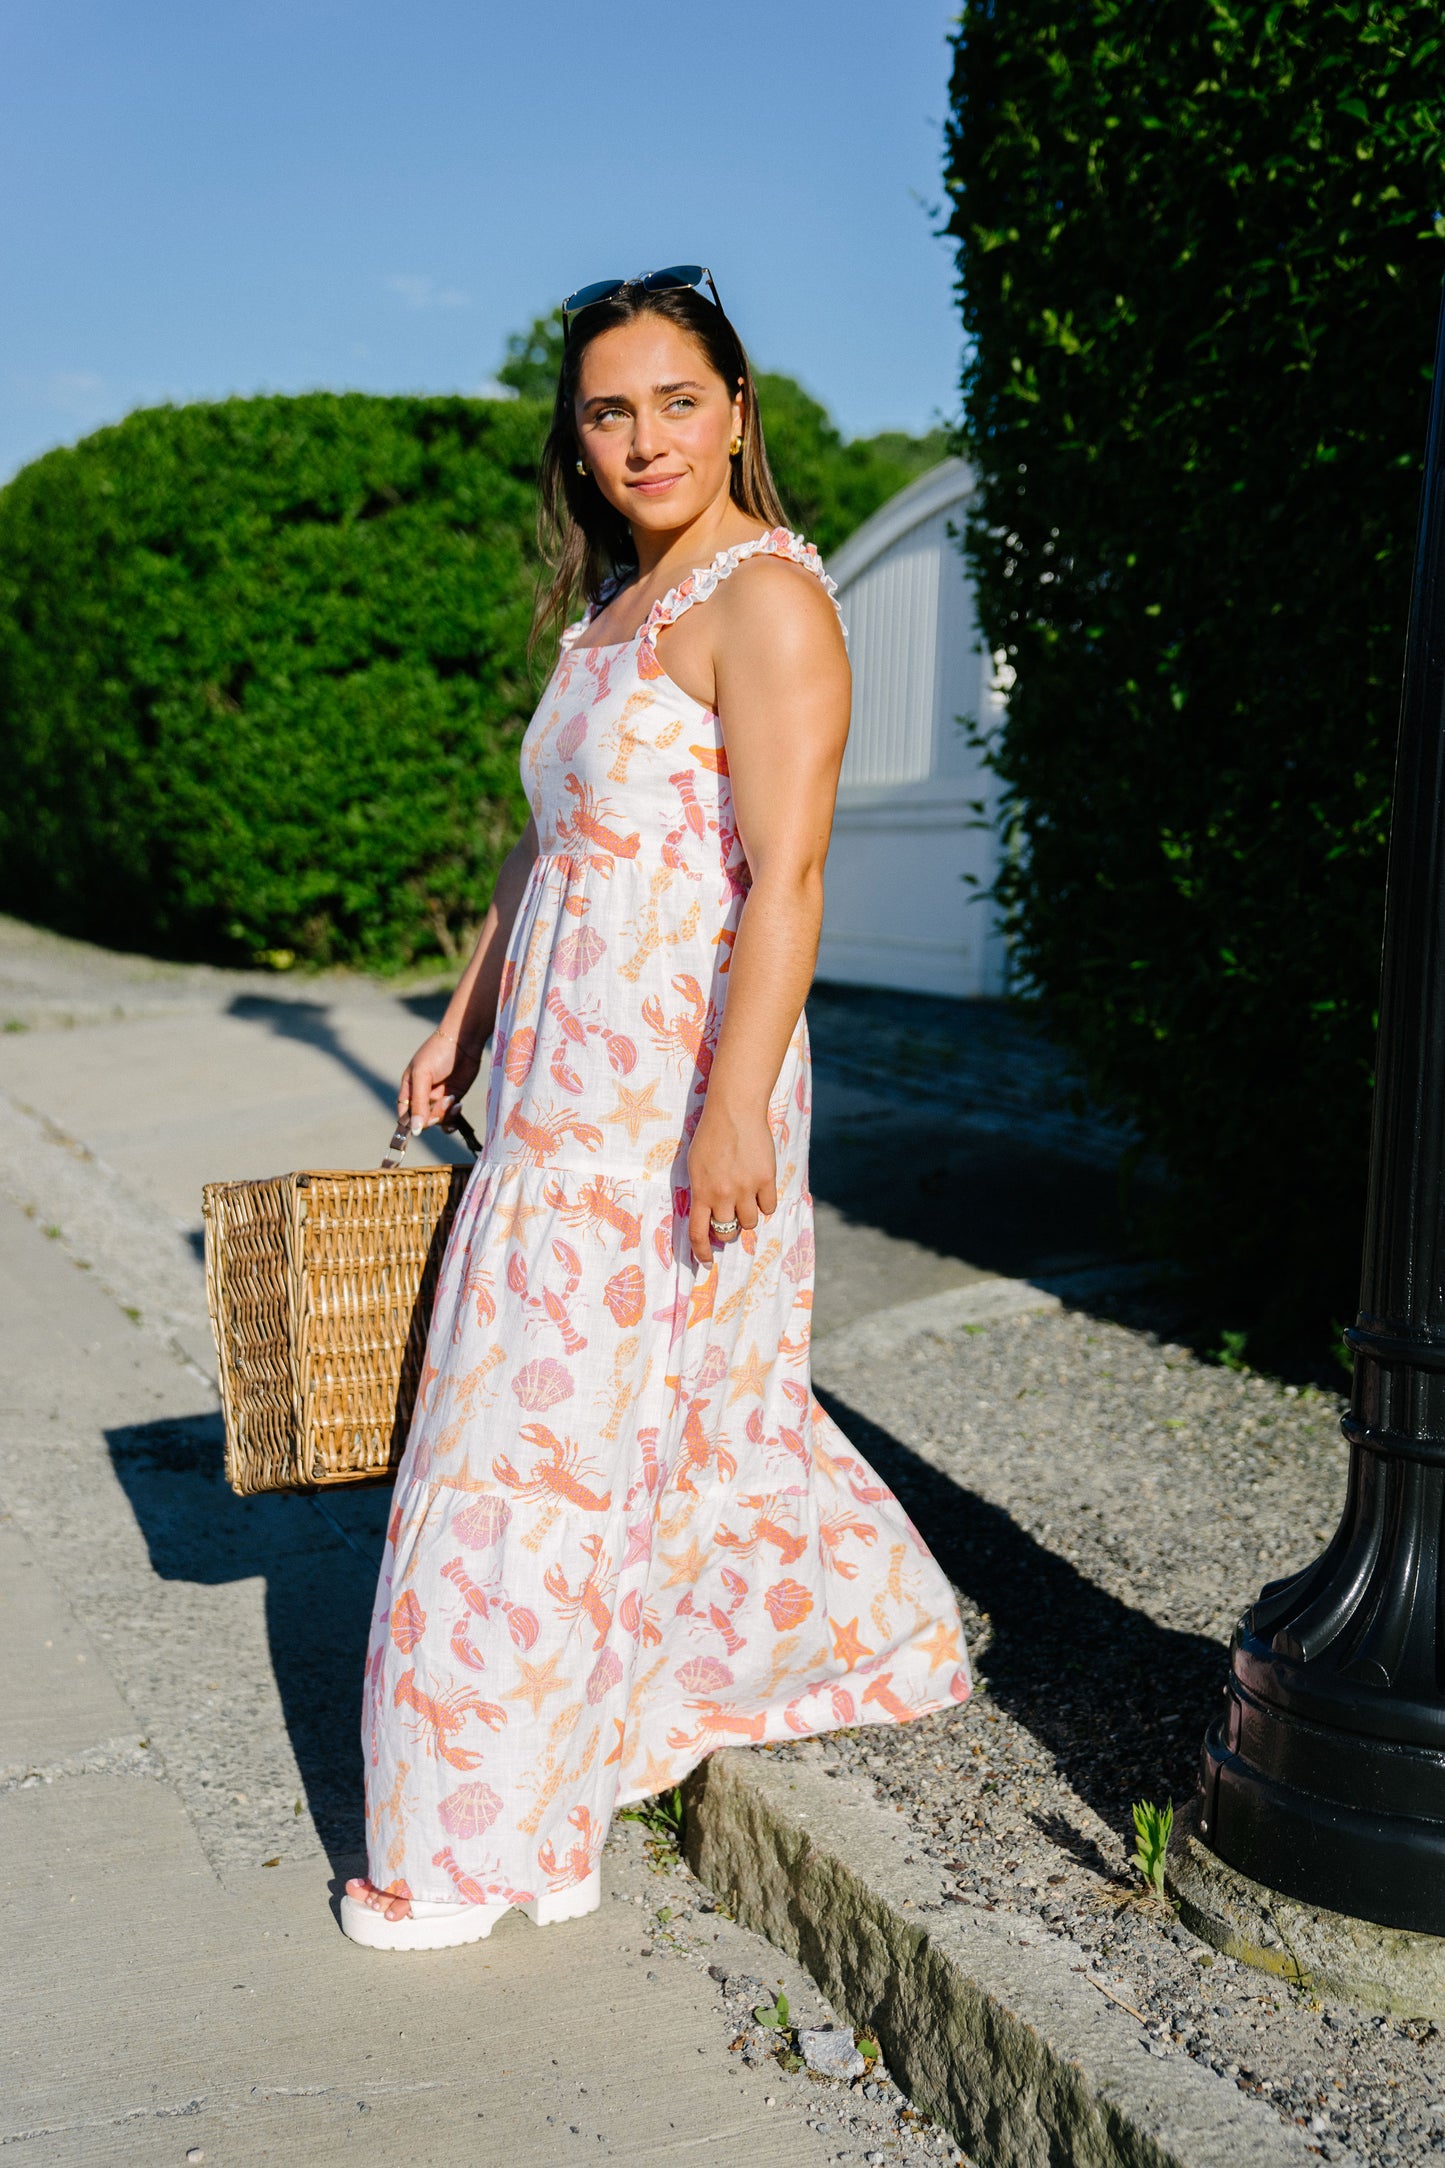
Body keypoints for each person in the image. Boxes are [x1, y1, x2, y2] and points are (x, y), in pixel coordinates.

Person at [342, 265, 969, 1950]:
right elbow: (542, 850)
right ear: (579, 439)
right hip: (547, 1100)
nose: (643, 439)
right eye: (609, 411)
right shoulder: (605, 619)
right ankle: (531, 1809)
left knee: (534, 1458)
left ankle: (484, 1837)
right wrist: (460, 1026)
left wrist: (736, 1112)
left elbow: (792, 878)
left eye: (675, 401)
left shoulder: (768, 600)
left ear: (738, 413)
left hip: (670, 1099)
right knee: (540, 1450)